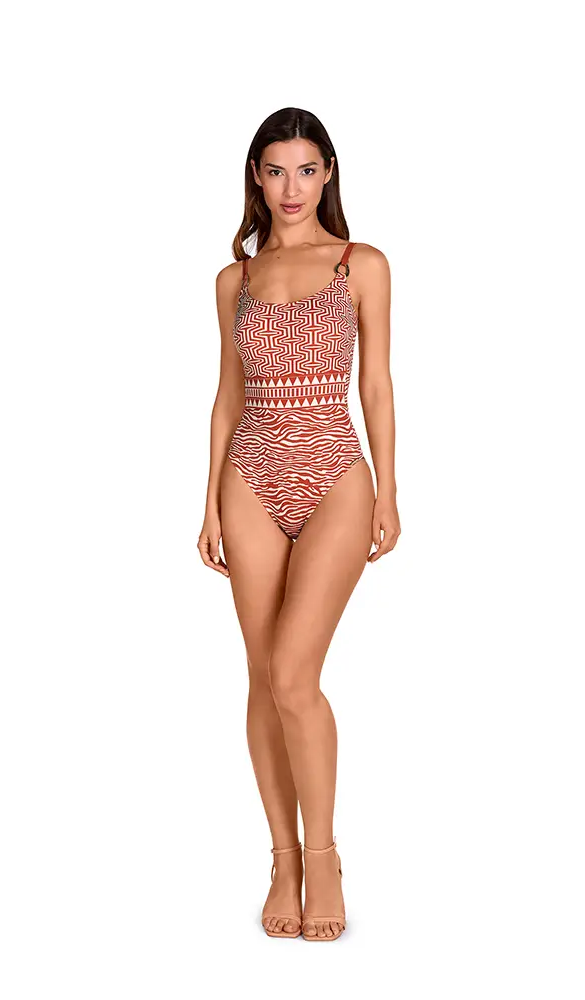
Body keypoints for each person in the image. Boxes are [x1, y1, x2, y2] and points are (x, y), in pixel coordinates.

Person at [197, 107, 400, 941]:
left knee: (292, 673)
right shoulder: (234, 279)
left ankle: (325, 857)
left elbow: (376, 385)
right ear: (256, 175)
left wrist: (389, 490)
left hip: (334, 474)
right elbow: (227, 396)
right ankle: (282, 860)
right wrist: (207, 501)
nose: (291, 187)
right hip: (250, 473)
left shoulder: (361, 264)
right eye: (276, 170)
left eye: (306, 170)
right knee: (261, 676)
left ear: (328, 174)